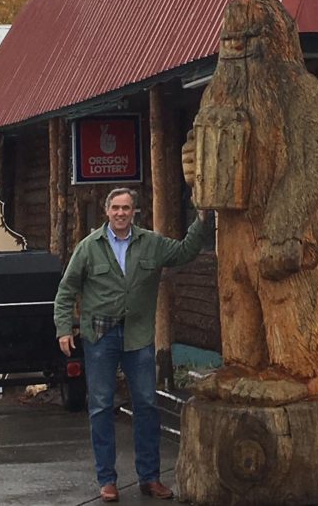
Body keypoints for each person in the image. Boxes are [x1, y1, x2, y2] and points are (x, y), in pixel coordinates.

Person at [54, 187, 206, 502]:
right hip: (100, 337)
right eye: (116, 208)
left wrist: (202, 219)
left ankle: (150, 478)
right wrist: (64, 329)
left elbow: (184, 252)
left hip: (137, 336)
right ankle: (107, 480)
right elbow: (67, 289)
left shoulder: (150, 243)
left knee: (147, 404)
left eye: (127, 208)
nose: (121, 213)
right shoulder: (88, 247)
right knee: (100, 406)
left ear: (134, 212)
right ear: (107, 211)